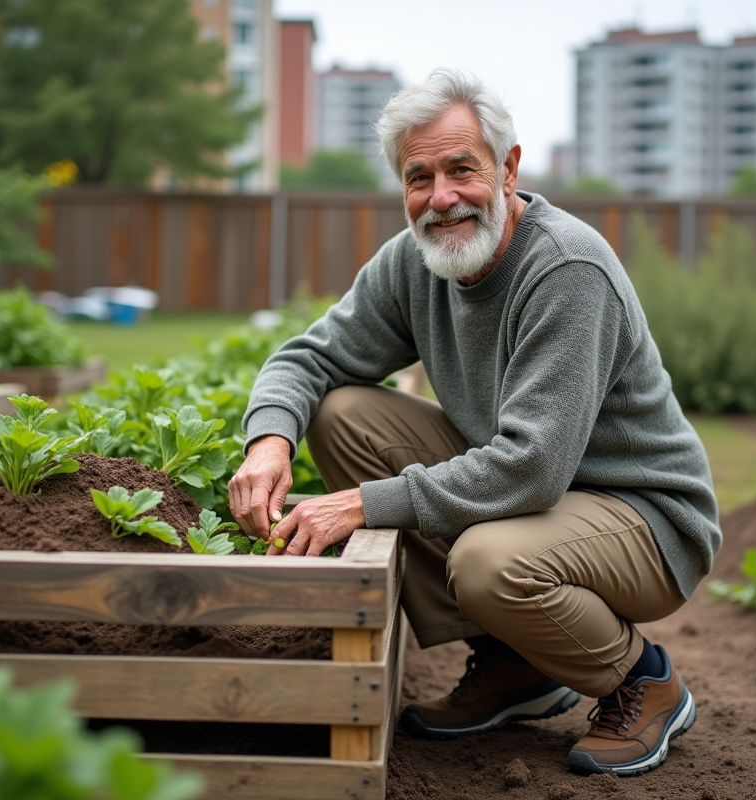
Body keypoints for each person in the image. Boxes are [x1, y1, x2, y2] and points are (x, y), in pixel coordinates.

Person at [228, 68, 720, 777]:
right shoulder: (413, 264)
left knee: (489, 564)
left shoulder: (566, 268)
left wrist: (361, 504)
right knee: (341, 415)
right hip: (540, 495)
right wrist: (270, 441)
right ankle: (513, 662)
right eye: (419, 177)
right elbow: (309, 358)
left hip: (643, 514)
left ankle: (644, 680)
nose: (441, 197)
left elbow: (532, 467)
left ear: (508, 168)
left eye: (462, 169)